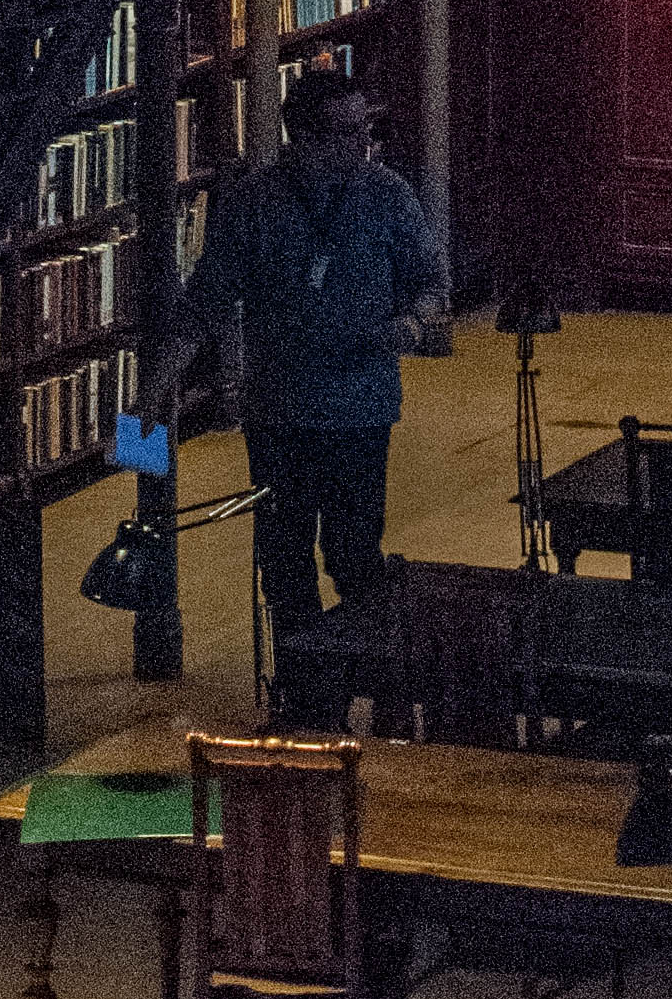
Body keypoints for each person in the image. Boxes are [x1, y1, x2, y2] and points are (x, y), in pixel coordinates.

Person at [142, 75, 447, 686]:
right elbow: (206, 301)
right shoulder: (254, 203)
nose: (363, 145)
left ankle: (365, 677)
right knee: (284, 560)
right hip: (279, 411)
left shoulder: (387, 194)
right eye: (346, 133)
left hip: (360, 407)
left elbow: (431, 281)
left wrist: (414, 322)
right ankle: (306, 689)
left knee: (355, 555)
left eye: (366, 130)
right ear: (301, 137)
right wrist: (148, 399)